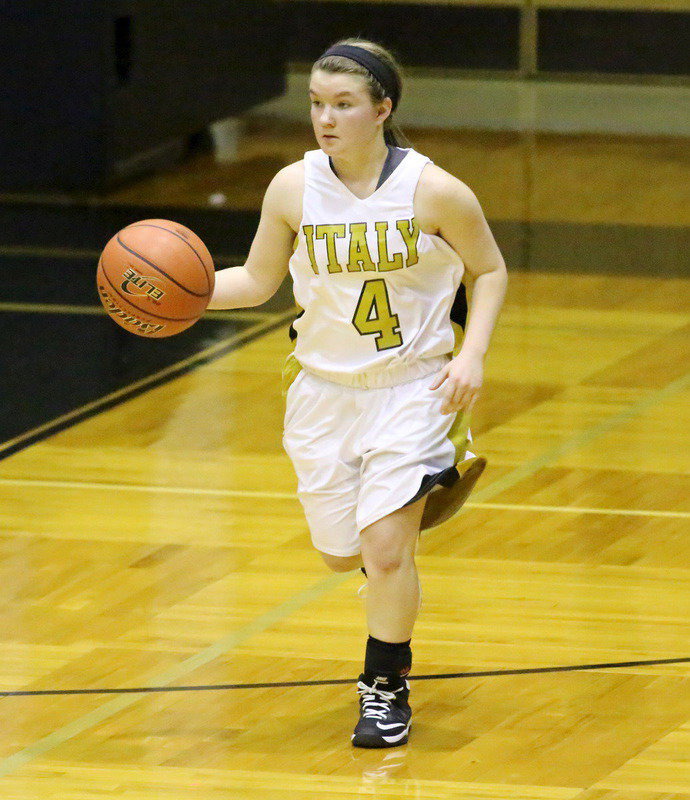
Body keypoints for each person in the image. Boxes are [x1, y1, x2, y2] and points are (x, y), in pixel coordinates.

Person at [208, 38, 507, 748]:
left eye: (343, 104)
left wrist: (472, 354)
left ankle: (384, 687)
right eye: (316, 104)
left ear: (382, 109)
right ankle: (419, 497)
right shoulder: (291, 187)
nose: (326, 119)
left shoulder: (433, 190)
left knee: (384, 552)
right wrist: (178, 297)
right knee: (343, 556)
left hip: (412, 389)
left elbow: (488, 270)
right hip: (323, 391)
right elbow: (255, 281)